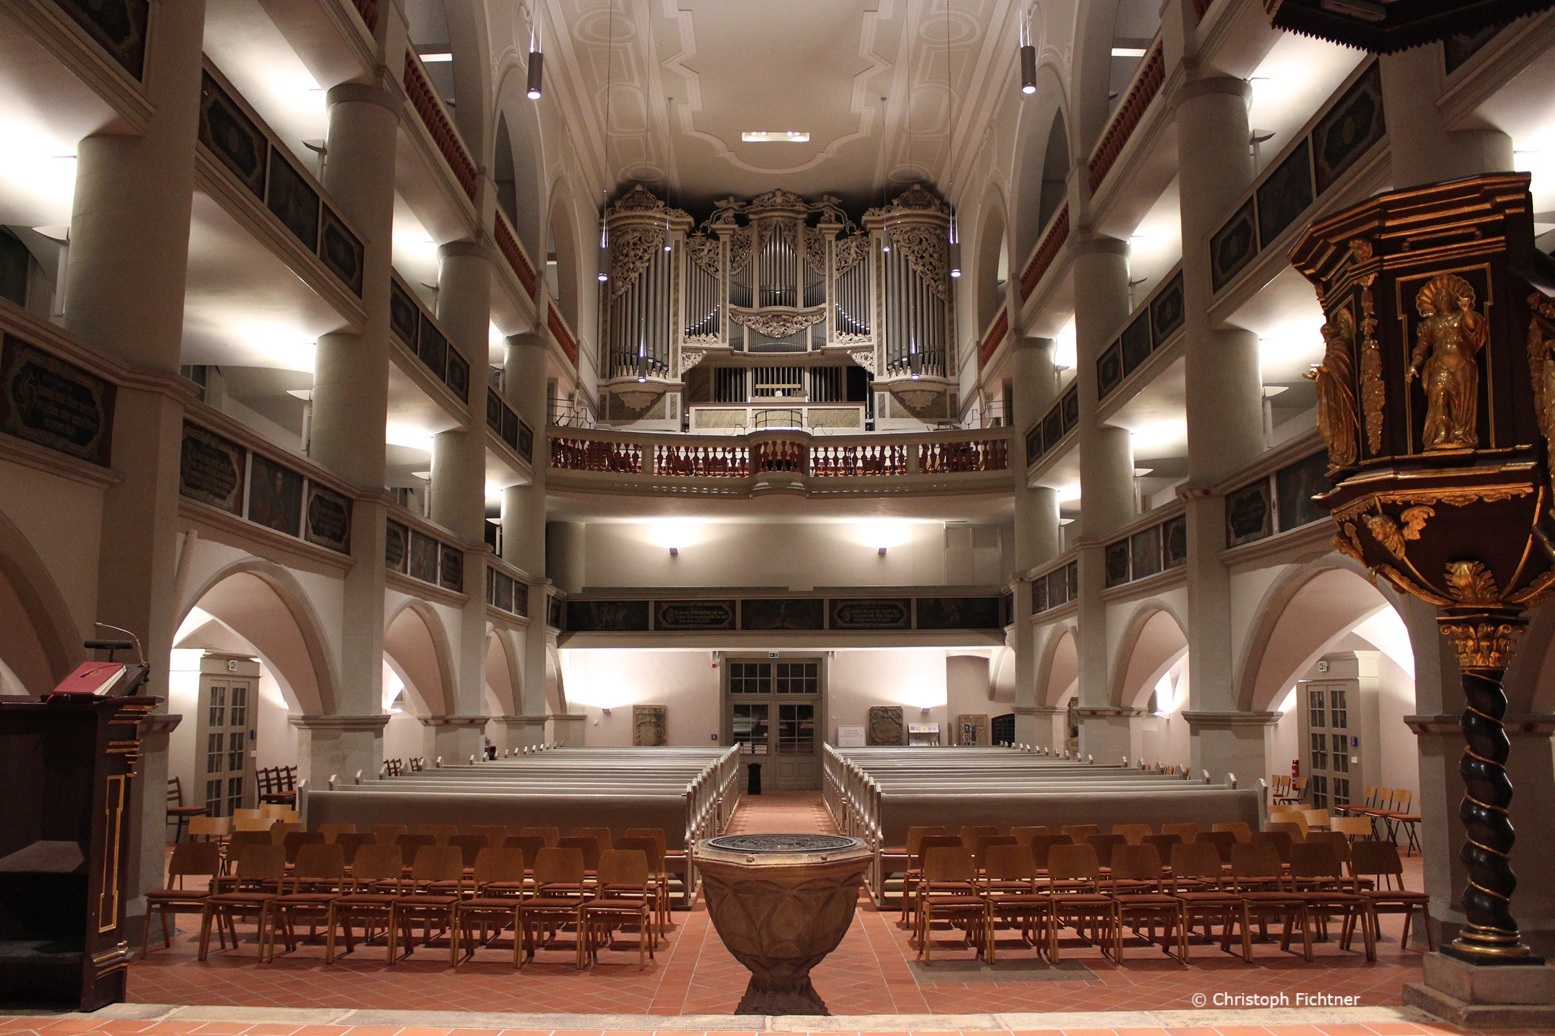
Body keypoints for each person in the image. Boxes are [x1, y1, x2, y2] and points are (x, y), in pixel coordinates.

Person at [1407, 273, 1487, 450]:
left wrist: (1466, 311)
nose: (1443, 299)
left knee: (1462, 403)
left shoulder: (1460, 317)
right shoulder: (1429, 324)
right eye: (1439, 297)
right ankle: (1442, 432)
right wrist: (1414, 365)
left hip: (1463, 363)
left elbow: (1473, 327)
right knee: (1440, 395)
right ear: (1434, 303)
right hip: (1440, 364)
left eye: (1446, 296)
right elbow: (1421, 347)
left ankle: (1460, 434)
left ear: (1453, 300)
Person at [1305, 307, 1359, 466]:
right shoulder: (1331, 350)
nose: (1326, 340)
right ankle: (1338, 452)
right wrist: (1319, 373)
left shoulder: (1340, 346)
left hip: (1341, 395)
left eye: (1326, 336)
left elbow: (1341, 368)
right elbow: (1330, 370)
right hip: (1332, 394)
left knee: (1340, 420)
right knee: (1330, 424)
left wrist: (1322, 369)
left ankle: (1344, 451)